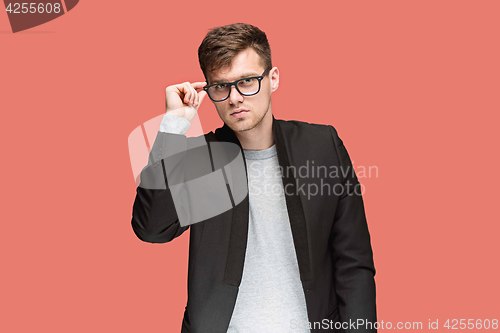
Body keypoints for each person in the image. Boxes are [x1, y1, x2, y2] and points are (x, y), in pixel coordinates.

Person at [131, 22, 377, 333]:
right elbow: (152, 228)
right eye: (221, 86)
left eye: (247, 81)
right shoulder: (202, 160)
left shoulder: (320, 146)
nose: (234, 98)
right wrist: (173, 126)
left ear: (273, 78)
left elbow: (353, 264)